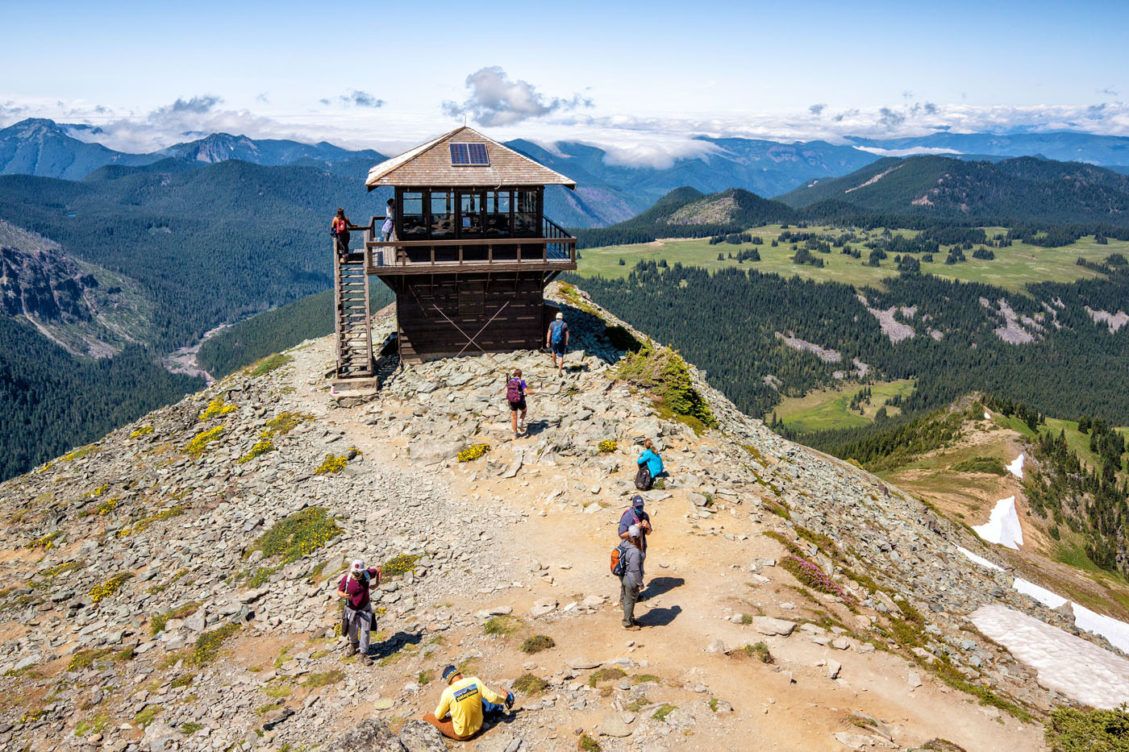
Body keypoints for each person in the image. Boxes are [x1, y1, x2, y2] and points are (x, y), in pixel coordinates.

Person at [423, 664, 514, 741]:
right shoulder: (475, 681)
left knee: (427, 717)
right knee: (479, 699)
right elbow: (492, 698)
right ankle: (496, 710)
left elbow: (438, 716)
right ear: (460, 674)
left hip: (463, 734)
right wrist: (503, 698)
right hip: (479, 725)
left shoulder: (448, 692)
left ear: (448, 681)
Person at [336, 559, 382, 658]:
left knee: (365, 631)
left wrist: (377, 583)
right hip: (350, 608)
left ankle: (363, 653)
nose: (357, 574)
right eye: (355, 572)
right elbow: (339, 591)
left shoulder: (367, 574)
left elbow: (378, 570)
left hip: (365, 608)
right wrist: (344, 595)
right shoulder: (346, 579)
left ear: (363, 571)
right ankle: (354, 645)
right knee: (351, 629)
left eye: (359, 572)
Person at [617, 524, 645, 630]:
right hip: (631, 579)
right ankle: (627, 623)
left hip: (624, 576)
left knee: (627, 600)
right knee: (630, 601)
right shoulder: (635, 551)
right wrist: (640, 583)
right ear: (638, 537)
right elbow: (635, 569)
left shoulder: (624, 543)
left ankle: (630, 619)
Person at [505, 369, 532, 438]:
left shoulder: (510, 381)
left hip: (511, 400)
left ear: (514, 374)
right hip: (520, 400)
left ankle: (515, 433)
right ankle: (520, 422)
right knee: (524, 411)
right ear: (520, 375)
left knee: (514, 417)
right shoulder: (521, 381)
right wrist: (534, 392)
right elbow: (527, 391)